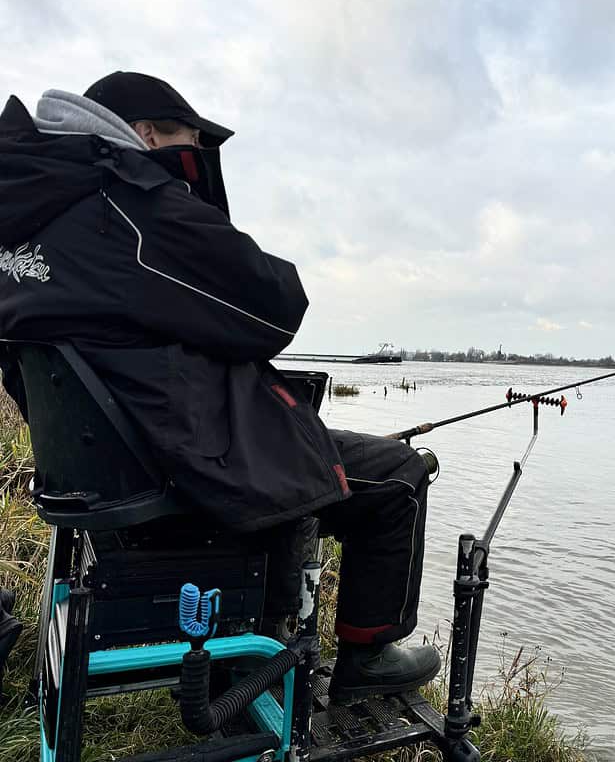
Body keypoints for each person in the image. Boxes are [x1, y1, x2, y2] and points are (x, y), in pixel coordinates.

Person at [0, 72, 439, 702]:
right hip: (173, 468)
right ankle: (363, 659)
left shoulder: (27, 213)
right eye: (189, 140)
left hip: (95, 475)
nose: (198, 160)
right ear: (145, 135)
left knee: (305, 452)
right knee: (397, 477)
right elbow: (276, 307)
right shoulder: (130, 202)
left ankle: (256, 653)